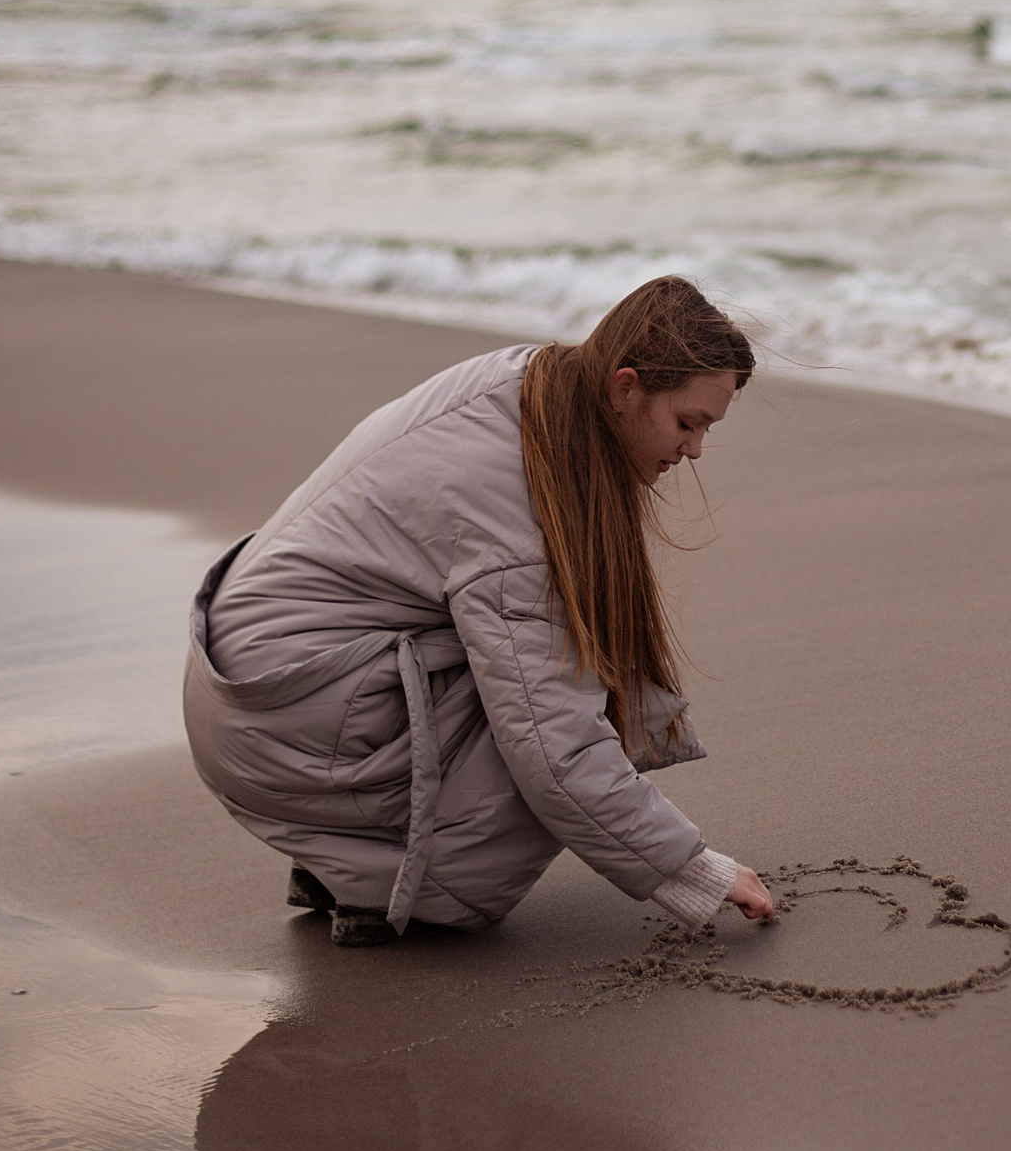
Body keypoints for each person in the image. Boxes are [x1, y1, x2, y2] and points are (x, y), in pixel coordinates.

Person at [182, 276, 777, 946]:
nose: (694, 449)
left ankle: (352, 858)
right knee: (543, 732)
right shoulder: (517, 500)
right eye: (687, 422)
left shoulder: (527, 388)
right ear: (624, 387)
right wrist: (693, 870)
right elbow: (555, 748)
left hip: (253, 687)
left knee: (537, 680)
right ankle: (393, 885)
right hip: (280, 715)